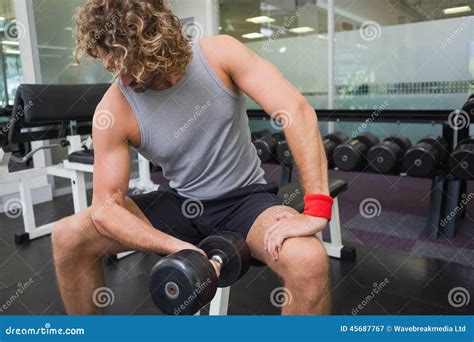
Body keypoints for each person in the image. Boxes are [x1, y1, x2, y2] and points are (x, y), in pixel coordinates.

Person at [52, 0, 332, 315]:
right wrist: (177, 247)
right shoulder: (114, 109)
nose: (124, 79)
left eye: (131, 64)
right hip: (180, 205)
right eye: (112, 65)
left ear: (158, 39)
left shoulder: (220, 55)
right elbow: (105, 209)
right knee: (68, 236)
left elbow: (296, 111)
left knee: (308, 260)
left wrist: (317, 207)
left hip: (246, 202)